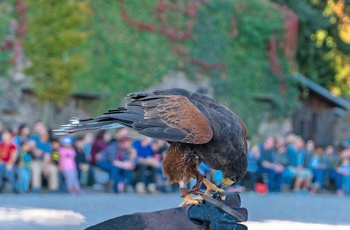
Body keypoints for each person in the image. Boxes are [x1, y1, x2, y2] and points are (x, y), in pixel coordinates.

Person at [31, 128, 59, 193]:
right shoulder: (35, 140)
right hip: (35, 161)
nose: (44, 136)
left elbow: (47, 157)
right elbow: (30, 145)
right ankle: (36, 187)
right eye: (43, 134)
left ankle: (54, 188)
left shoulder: (48, 145)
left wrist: (46, 169)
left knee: (53, 169)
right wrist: (35, 150)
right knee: (36, 169)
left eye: (46, 135)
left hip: (45, 162)